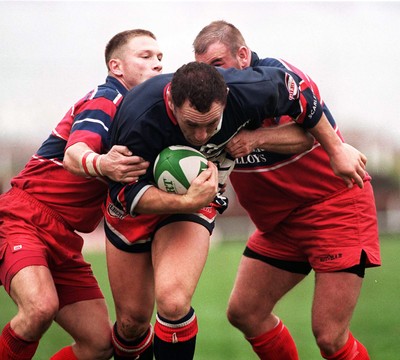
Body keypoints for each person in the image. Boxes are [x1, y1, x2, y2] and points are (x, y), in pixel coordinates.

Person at [104, 60, 368, 360]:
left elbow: (300, 95)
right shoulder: (138, 114)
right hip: (136, 207)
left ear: (226, 99)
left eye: (211, 124)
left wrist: (336, 150)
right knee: (131, 323)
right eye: (192, 124)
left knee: (174, 301)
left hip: (198, 201)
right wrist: (185, 201)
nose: (202, 136)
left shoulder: (248, 90)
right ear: (171, 103)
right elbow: (124, 193)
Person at [193, 20, 381, 360]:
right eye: (204, 70)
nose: (213, 79)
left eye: (218, 65)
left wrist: (254, 139)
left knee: (330, 338)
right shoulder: (211, 105)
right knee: (245, 311)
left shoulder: (274, 78)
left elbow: (309, 132)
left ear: (244, 56)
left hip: (332, 207)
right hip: (280, 225)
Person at [0, 29, 163, 360]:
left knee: (99, 344)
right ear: (116, 67)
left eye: (160, 58)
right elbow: (76, 155)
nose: (157, 65)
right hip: (24, 218)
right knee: (39, 308)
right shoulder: (107, 99)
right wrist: (104, 163)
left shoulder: (141, 117)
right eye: (145, 57)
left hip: (64, 237)